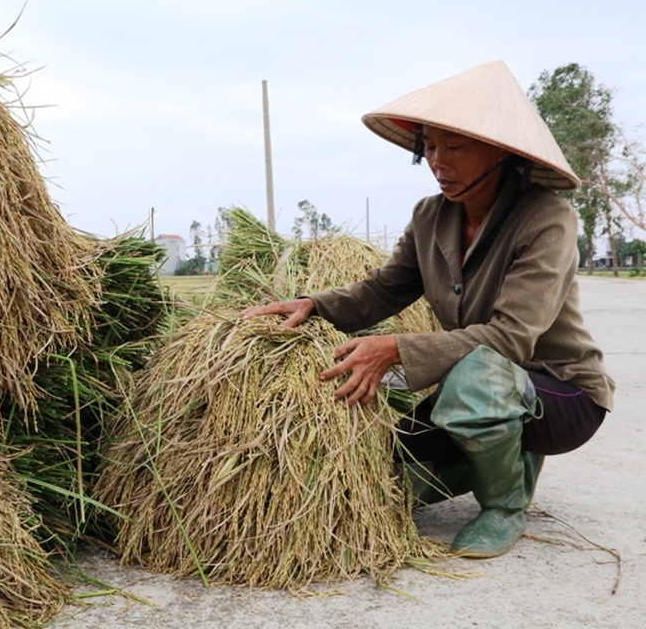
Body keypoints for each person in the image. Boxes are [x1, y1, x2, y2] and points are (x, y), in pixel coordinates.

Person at [240, 60, 614, 559]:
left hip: (560, 392)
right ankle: (505, 453)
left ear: (502, 152)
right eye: (430, 146)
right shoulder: (431, 215)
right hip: (478, 384)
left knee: (476, 380)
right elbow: (385, 289)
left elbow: (510, 338)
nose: (438, 161)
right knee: (392, 469)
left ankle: (504, 508)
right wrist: (315, 306)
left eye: (454, 147)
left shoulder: (546, 218)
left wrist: (395, 349)